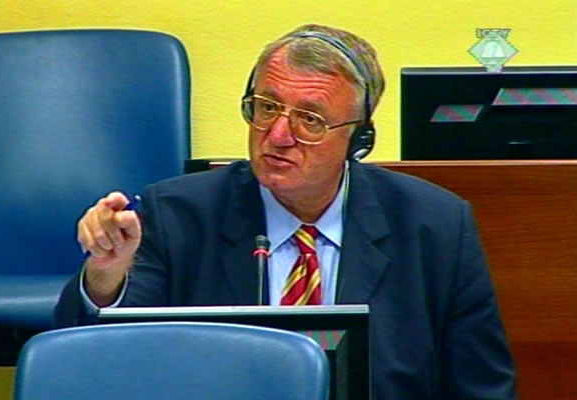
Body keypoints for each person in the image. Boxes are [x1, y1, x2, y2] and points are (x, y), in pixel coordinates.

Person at [55, 24, 517, 399]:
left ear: (359, 139)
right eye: (266, 107)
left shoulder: (434, 226)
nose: (277, 135)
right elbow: (95, 367)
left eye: (310, 120)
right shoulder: (177, 214)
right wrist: (106, 275)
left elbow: (483, 387)